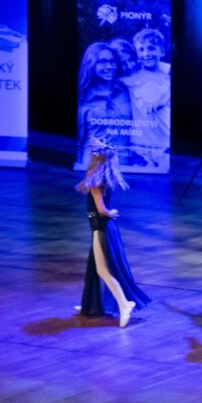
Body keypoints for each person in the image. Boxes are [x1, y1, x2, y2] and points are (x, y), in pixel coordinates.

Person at [76, 140, 150, 327]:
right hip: (103, 227)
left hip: (100, 228)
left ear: (96, 159)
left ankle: (124, 304)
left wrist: (110, 212)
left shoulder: (94, 179)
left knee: (102, 270)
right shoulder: (103, 177)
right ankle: (90, 305)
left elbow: (101, 209)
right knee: (94, 267)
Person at [74, 42, 132, 170]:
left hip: (123, 164)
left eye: (112, 62)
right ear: (91, 64)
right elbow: (80, 139)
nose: (110, 67)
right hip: (92, 164)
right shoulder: (83, 96)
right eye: (103, 62)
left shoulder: (126, 90)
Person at [121, 28, 171, 169]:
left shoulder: (168, 72)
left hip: (165, 141)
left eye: (151, 48)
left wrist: (163, 101)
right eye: (141, 50)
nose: (146, 53)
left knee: (162, 177)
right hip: (139, 144)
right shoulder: (131, 77)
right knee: (140, 179)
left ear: (162, 51)